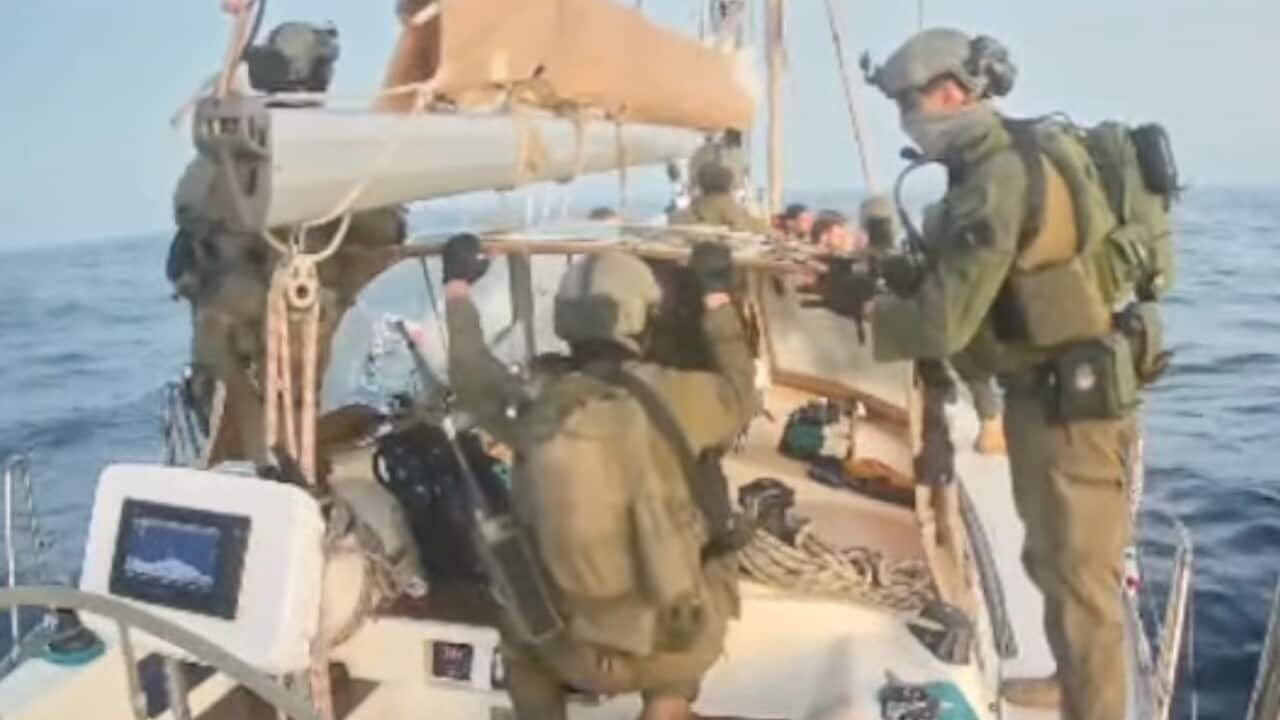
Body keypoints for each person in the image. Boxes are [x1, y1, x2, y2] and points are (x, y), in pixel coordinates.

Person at [819, 28, 1148, 719]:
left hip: (1073, 409)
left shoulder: (996, 181)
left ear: (949, 94)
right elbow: (963, 276)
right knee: (1048, 563)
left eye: (910, 105)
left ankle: (1097, 705)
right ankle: (1072, 682)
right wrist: (879, 278)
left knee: (1081, 581)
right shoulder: (1000, 161)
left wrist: (868, 311)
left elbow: (943, 323)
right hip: (1043, 395)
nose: (908, 123)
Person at [442, 234, 754, 720]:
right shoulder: (681, 395)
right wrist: (716, 294)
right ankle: (667, 705)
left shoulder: (534, 403)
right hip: (676, 647)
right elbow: (740, 391)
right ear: (639, 318)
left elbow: (469, 373)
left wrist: (457, 285)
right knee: (713, 554)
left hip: (572, 654)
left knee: (518, 639)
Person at [669, 162, 771, 234]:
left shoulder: (697, 202)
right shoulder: (726, 202)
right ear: (728, 182)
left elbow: (675, 219)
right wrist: (765, 225)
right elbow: (744, 225)